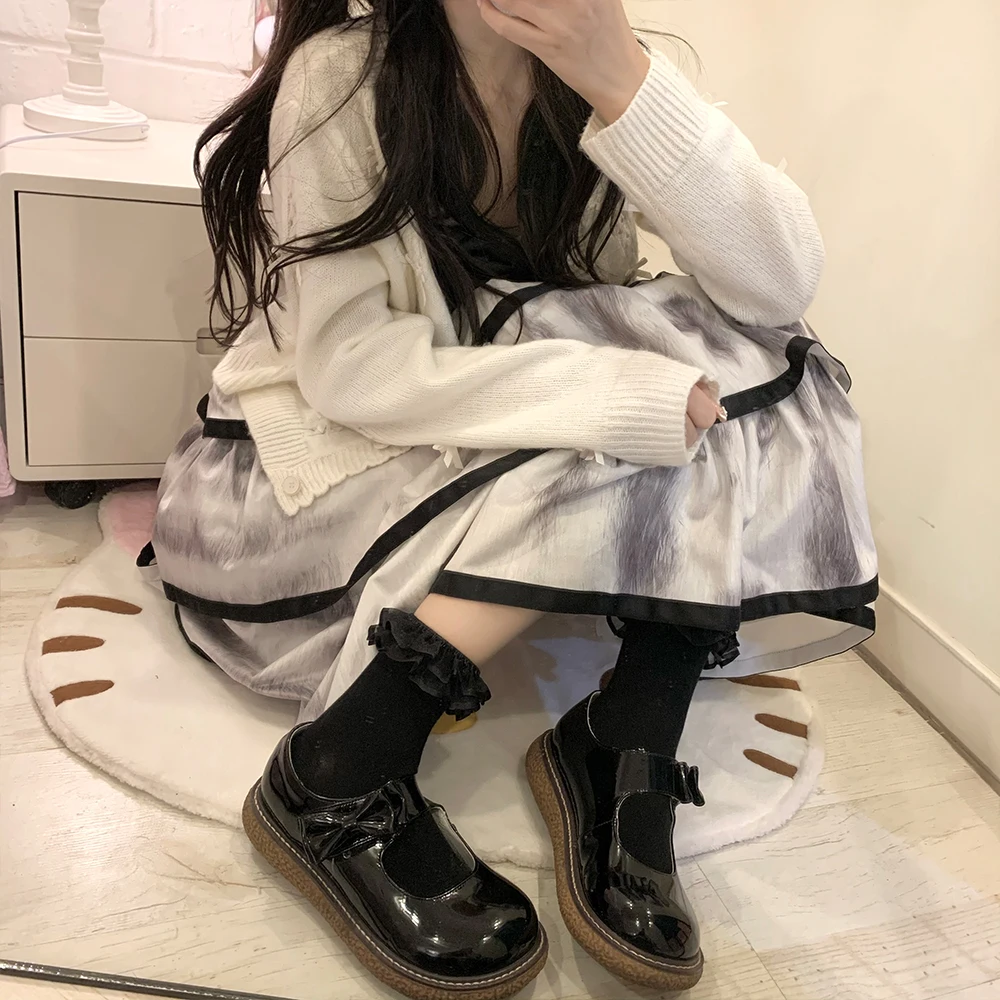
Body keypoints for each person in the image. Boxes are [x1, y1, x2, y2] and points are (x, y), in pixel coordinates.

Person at [146, 1, 878, 997]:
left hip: (487, 419)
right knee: (636, 400)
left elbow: (779, 283)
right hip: (315, 465)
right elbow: (353, 368)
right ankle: (343, 765)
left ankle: (624, 734)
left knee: (755, 358)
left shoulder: (606, 58)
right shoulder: (344, 76)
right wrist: (606, 395)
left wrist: (618, 75)